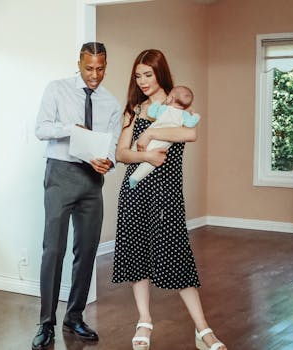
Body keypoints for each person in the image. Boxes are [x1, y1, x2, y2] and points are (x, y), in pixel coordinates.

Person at [112, 49, 227, 350]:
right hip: (135, 192)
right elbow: (121, 153)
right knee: (137, 256)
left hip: (166, 192)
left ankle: (203, 330)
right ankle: (144, 320)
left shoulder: (176, 106)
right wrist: (146, 154)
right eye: (138, 76)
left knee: (177, 256)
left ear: (160, 73)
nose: (142, 81)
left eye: (148, 74)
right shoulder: (133, 109)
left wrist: (149, 133)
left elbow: (190, 135)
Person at [32, 42, 122, 350]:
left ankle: (75, 316)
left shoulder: (110, 102)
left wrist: (107, 161)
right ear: (79, 63)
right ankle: (46, 323)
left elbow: (111, 144)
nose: (94, 75)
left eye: (100, 69)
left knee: (87, 251)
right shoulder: (56, 89)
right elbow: (41, 129)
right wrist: (71, 128)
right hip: (60, 174)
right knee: (53, 251)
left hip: (91, 180)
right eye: (89, 68)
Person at [128, 85, 200, 188]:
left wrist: (157, 104)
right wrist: (195, 116)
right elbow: (190, 124)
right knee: (149, 164)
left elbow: (151, 113)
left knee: (137, 144)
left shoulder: (164, 109)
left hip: (149, 138)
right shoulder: (184, 115)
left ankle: (132, 154)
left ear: (170, 98)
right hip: (162, 144)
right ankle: (135, 178)